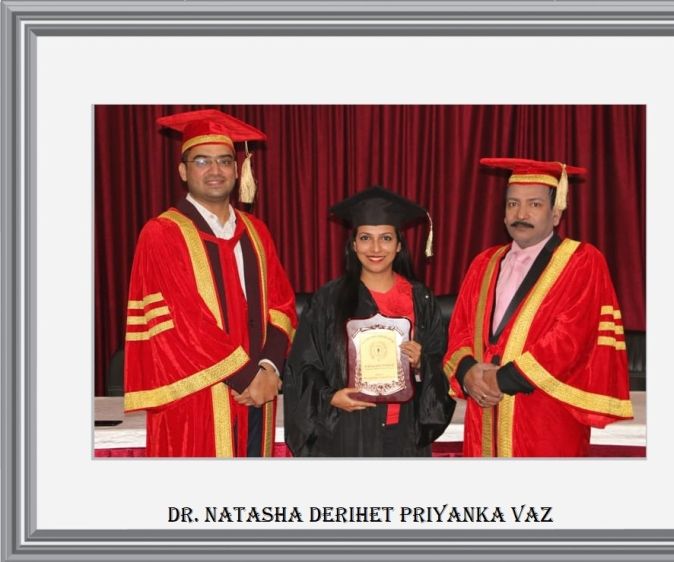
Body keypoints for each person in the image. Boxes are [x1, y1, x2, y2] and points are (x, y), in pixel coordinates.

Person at [123, 109, 297, 457]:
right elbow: (185, 322)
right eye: (202, 160)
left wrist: (269, 369)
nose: (215, 170)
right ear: (183, 171)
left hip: (258, 397)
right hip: (196, 399)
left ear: (237, 169)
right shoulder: (162, 234)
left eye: (225, 161)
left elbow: (281, 305)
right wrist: (249, 379)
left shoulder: (256, 232)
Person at [443, 157, 633, 457]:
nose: (521, 214)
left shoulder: (582, 261)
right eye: (512, 204)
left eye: (534, 204)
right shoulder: (484, 263)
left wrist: (501, 380)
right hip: (484, 413)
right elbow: (460, 330)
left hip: (544, 414)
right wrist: (468, 373)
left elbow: (569, 339)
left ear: (556, 214)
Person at [283, 185, 456, 456]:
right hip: (347, 431)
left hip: (404, 433)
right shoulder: (328, 300)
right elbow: (303, 365)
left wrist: (422, 364)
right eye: (365, 238)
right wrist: (329, 397)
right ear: (354, 245)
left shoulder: (420, 299)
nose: (375, 248)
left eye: (386, 238)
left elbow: (441, 360)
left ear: (399, 245)